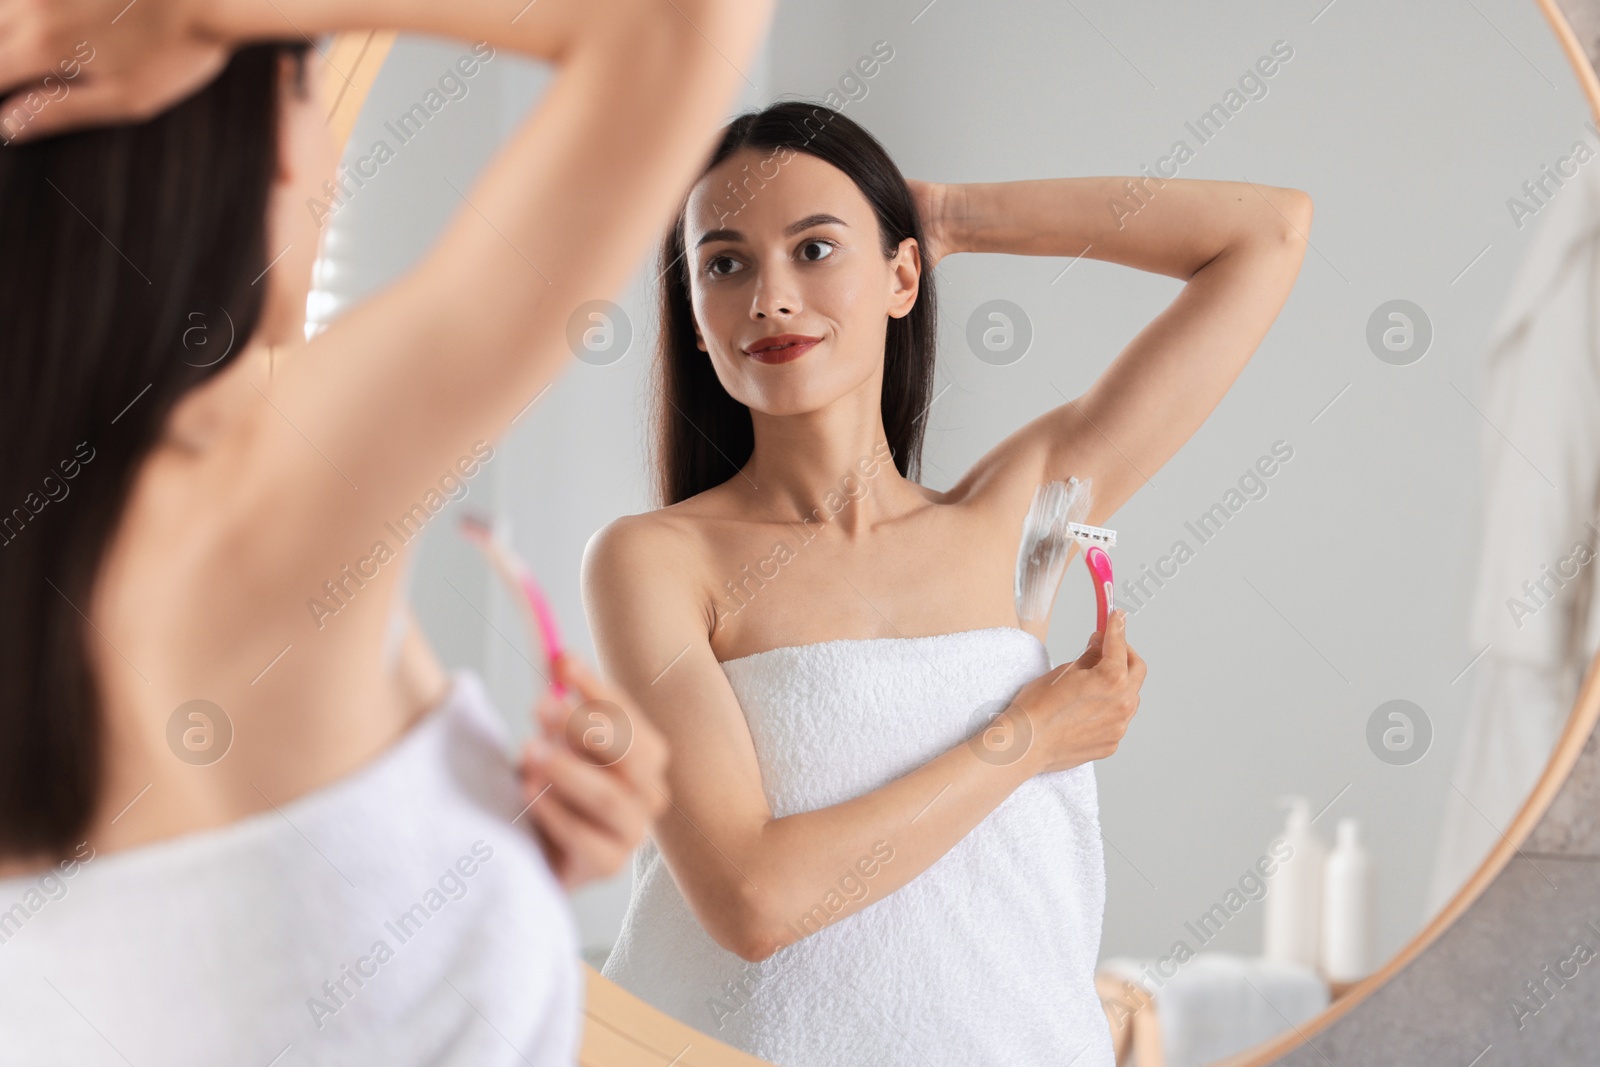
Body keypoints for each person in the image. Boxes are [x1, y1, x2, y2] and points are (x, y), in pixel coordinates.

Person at [0, 0, 774, 1063]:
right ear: (266, 141)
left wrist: (479, 851)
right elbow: (683, 21)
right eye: (311, 82)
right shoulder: (266, 493)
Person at [585, 102, 1311, 1065]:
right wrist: (1032, 734)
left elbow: (1265, 235)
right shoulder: (654, 560)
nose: (769, 295)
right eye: (725, 263)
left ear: (901, 275)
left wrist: (958, 215)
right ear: (697, 314)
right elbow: (754, 900)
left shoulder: (1017, 526)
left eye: (814, 249)